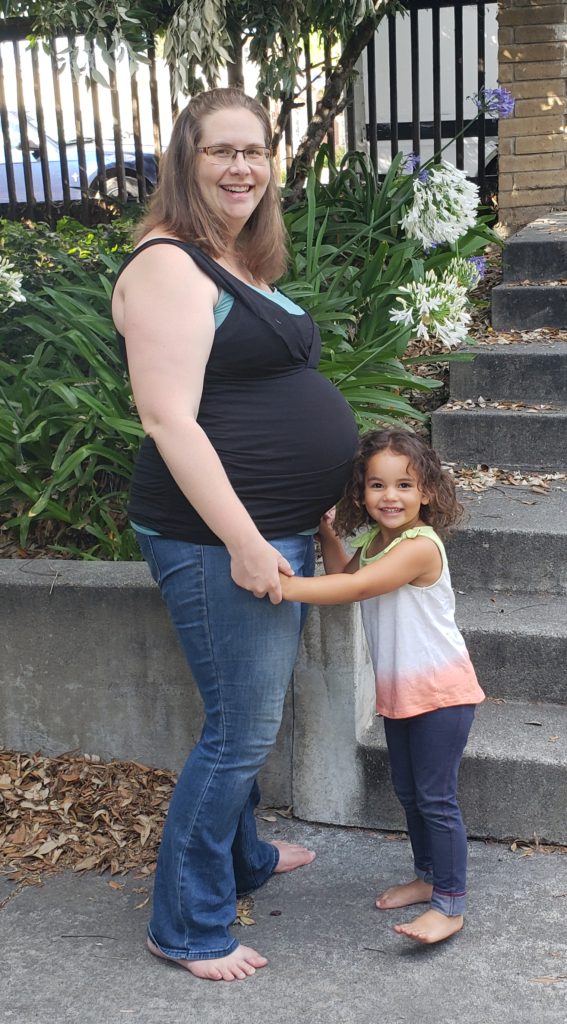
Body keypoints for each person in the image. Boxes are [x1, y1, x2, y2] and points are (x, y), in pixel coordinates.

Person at [111, 87, 358, 980]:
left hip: (273, 528)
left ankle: (244, 859)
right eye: (222, 151)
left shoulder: (233, 259)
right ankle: (185, 923)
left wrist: (308, 501)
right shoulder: (168, 265)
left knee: (241, 718)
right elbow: (168, 419)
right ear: (186, 158)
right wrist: (250, 540)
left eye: (254, 151)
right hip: (217, 540)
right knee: (239, 734)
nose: (241, 168)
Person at [280, 429, 485, 945]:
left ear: (427, 493)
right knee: (410, 795)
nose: (389, 496)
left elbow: (357, 586)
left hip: (441, 693)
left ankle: (451, 904)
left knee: (436, 799)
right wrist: (328, 534)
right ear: (361, 494)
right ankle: (428, 877)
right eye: (377, 485)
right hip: (400, 693)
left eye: (404, 485)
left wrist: (279, 585)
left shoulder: (419, 545)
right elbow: (345, 578)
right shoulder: (377, 541)